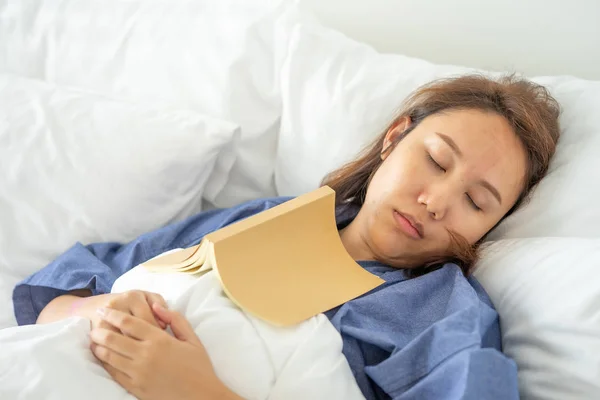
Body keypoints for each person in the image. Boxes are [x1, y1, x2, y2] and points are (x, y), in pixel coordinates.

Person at [12, 74, 560, 400]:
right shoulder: (274, 218)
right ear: (396, 138)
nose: (436, 202)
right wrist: (105, 318)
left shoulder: (446, 320)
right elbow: (62, 290)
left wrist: (200, 393)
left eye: (476, 202)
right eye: (437, 161)